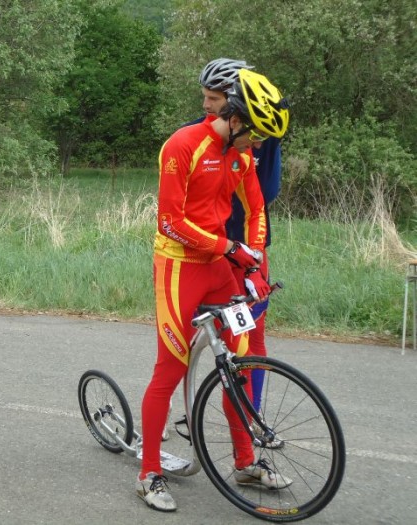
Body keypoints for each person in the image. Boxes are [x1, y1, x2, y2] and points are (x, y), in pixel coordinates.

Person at [137, 69, 291, 512]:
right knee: (170, 368)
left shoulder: (241, 156)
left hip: (220, 269)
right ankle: (149, 473)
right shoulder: (183, 145)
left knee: (239, 363)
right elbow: (169, 221)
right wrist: (230, 247)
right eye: (256, 134)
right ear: (235, 117)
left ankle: (245, 461)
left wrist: (255, 256)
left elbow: (257, 209)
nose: (259, 146)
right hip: (179, 268)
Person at [200, 58, 283, 418]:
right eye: (204, 96)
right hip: (212, 251)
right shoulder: (197, 133)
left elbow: (268, 192)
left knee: (252, 340)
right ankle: (188, 403)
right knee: (200, 336)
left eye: (215, 98)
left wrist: (255, 256)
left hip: (248, 250)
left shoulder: (260, 135)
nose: (207, 105)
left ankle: (251, 416)